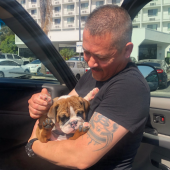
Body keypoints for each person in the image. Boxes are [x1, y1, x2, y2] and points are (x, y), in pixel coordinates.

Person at [28, 5, 150, 170]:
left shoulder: (129, 87)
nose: (91, 63)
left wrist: (33, 144)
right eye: (86, 52)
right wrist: (42, 108)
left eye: (101, 57)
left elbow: (80, 157)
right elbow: (59, 110)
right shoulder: (93, 74)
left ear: (127, 50)